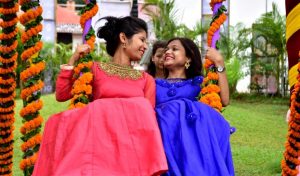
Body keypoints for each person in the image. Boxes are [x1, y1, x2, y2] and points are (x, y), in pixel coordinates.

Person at [33, 16, 168, 176]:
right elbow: (62, 95)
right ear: (123, 38)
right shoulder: (95, 69)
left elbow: (148, 120)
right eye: (142, 39)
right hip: (99, 148)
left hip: (130, 152)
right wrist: (73, 59)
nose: (146, 46)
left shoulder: (146, 80)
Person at [155, 37, 234, 175]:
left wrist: (219, 62)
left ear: (188, 58)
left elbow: (225, 100)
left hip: (190, 153)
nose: (168, 51)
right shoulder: (153, 84)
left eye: (174, 49)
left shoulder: (199, 85)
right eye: (167, 49)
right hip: (162, 147)